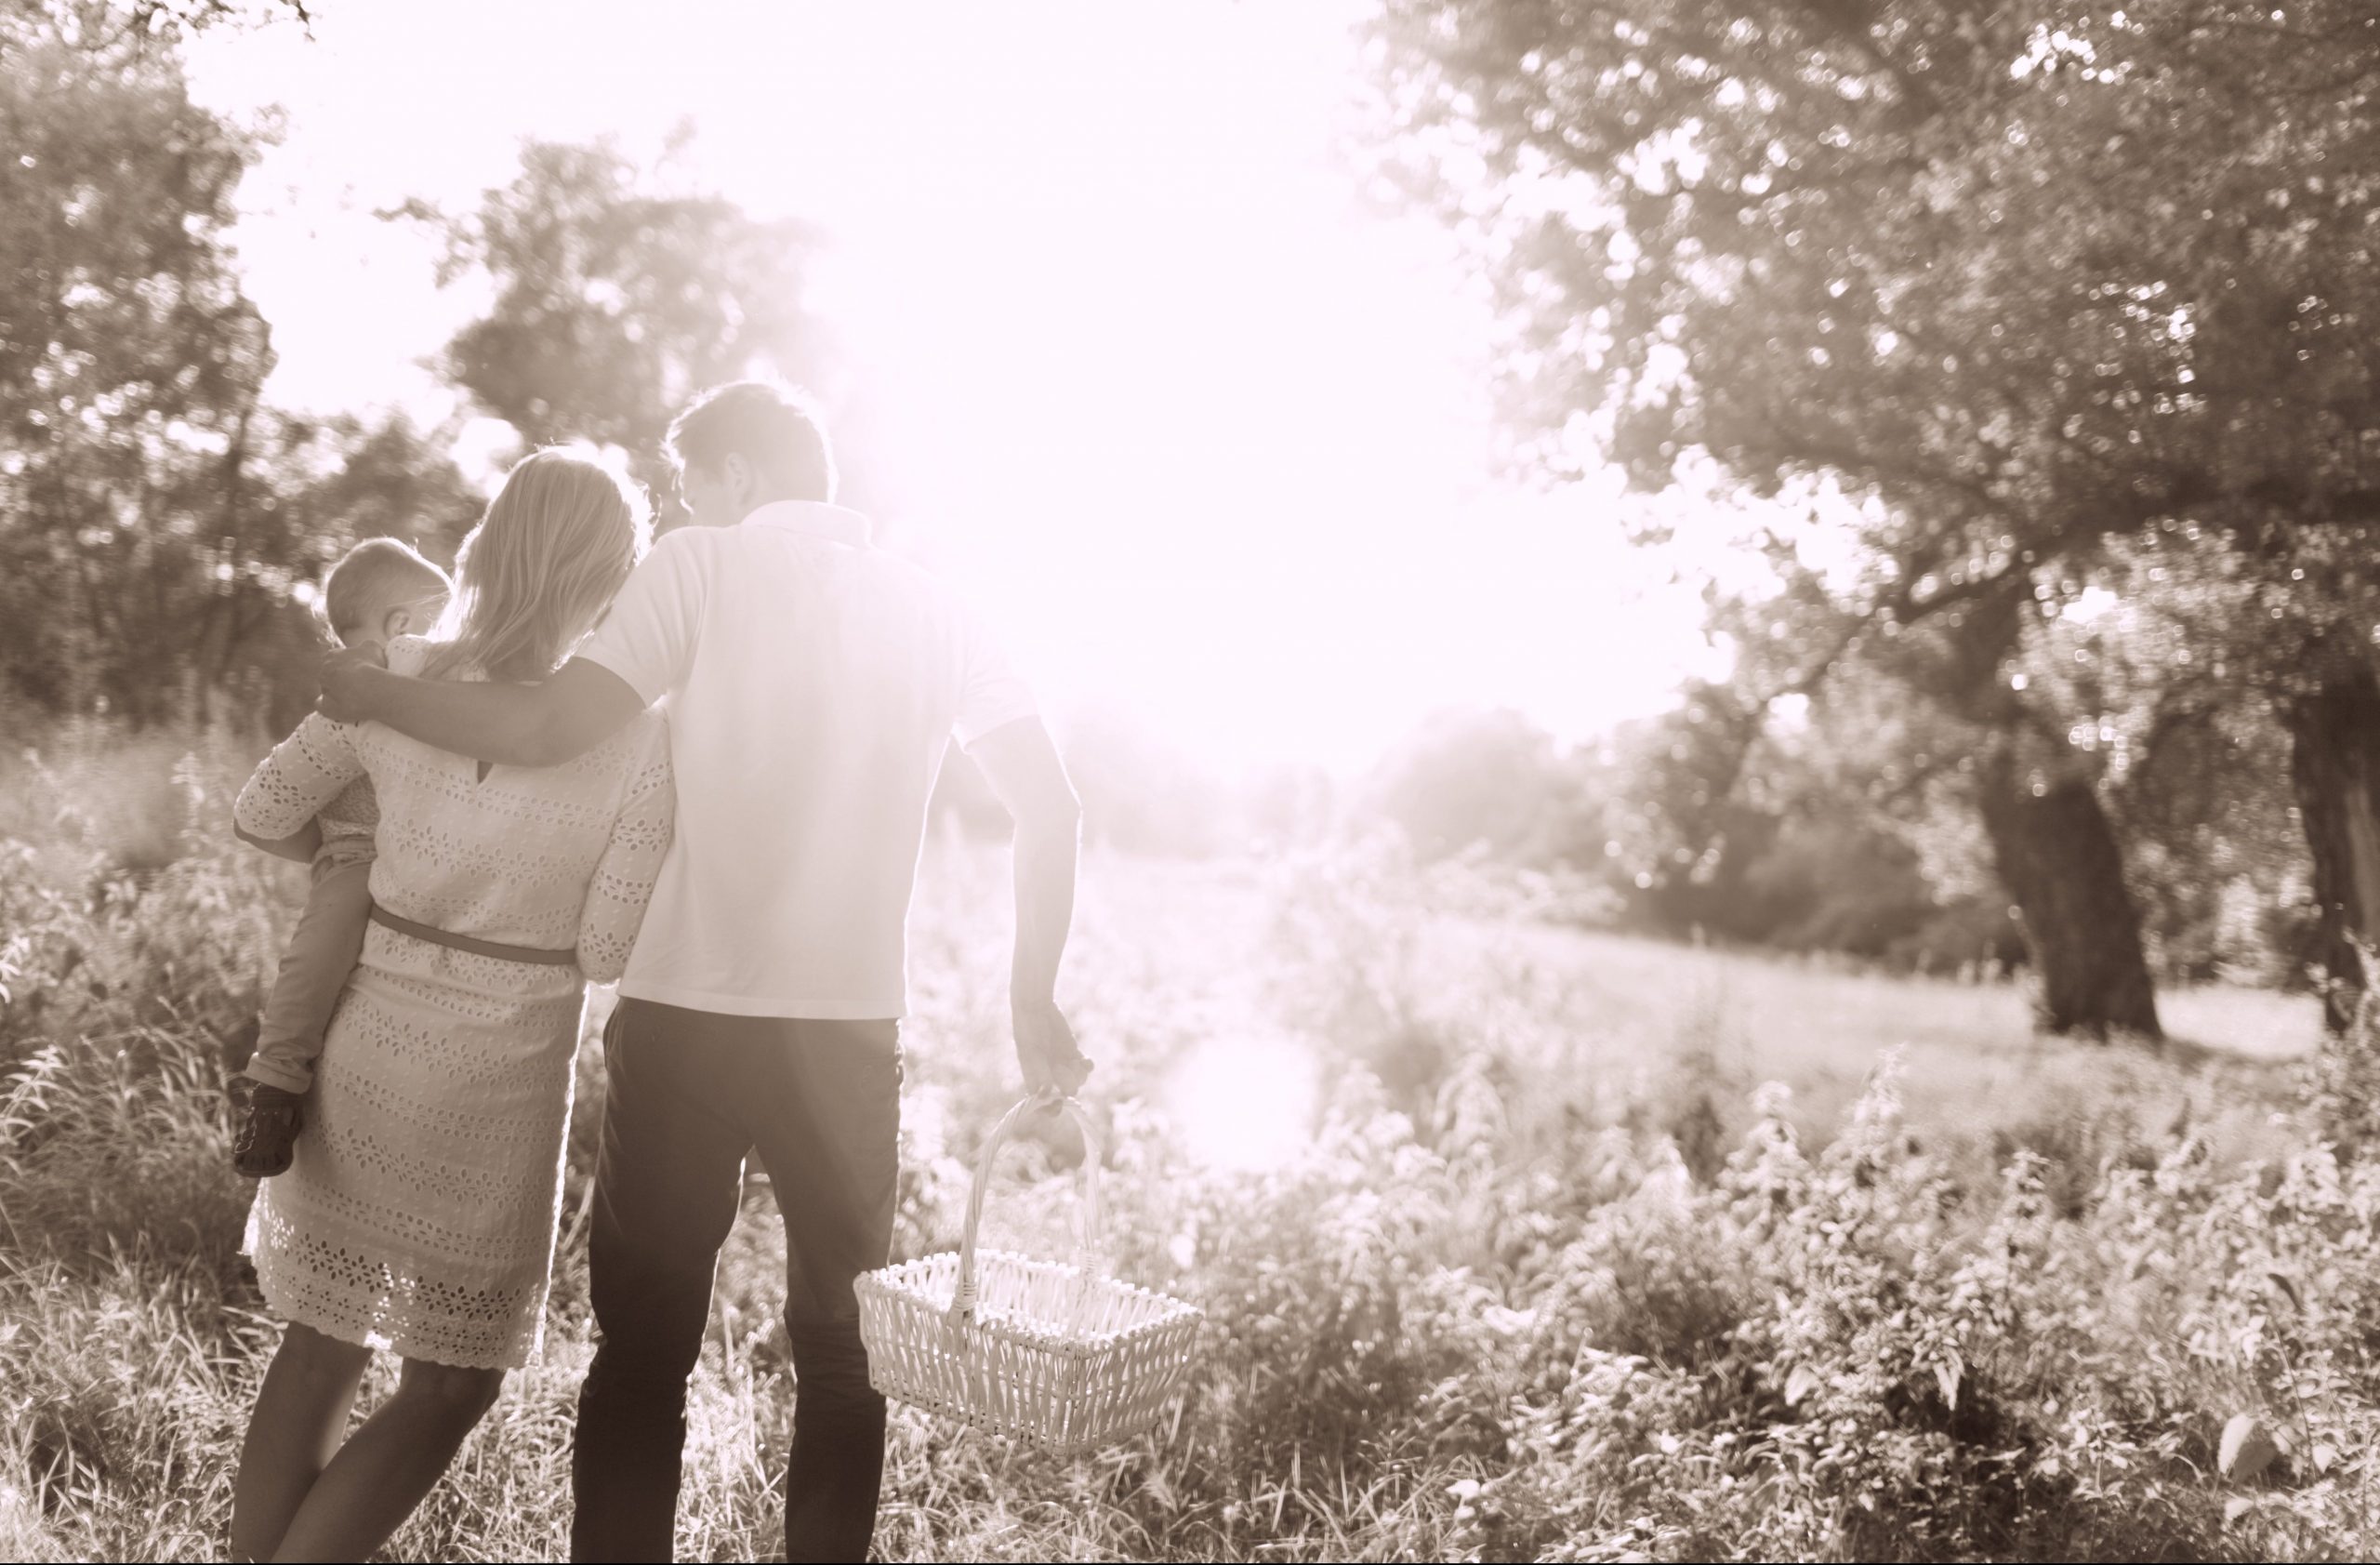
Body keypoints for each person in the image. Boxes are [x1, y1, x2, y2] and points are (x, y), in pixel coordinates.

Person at [318, 379, 1091, 1563]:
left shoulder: (699, 566)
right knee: (846, 1359)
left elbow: (543, 730)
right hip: (845, 1036)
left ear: (735, 475)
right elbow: (1050, 806)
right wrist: (1028, 996)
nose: (684, 510)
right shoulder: (939, 608)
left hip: (686, 1019)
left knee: (644, 1352)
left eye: (688, 488)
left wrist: (376, 691)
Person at [228, 450, 675, 1563]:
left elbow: (262, 808)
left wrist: (358, 858)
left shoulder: (398, 672)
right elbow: (608, 944)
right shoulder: (640, 738)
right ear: (608, 577)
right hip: (500, 1078)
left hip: (364, 1043)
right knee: (452, 1380)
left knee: (319, 1343)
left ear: (486, 543)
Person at [228, 537, 452, 1179]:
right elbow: (271, 809)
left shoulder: (413, 694)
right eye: (444, 623)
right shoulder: (353, 696)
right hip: (360, 849)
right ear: (403, 626)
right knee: (327, 933)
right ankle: (275, 1083)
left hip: (421, 845)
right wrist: (329, 849)